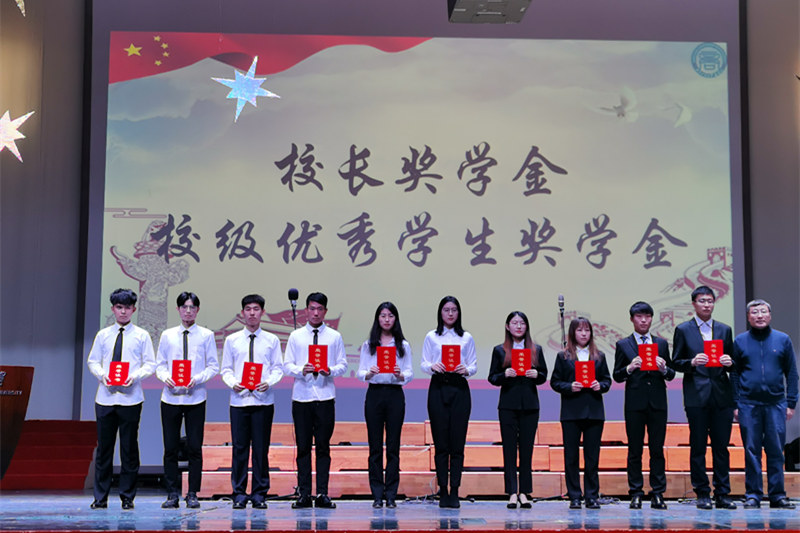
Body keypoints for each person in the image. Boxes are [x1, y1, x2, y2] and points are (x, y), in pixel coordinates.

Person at [86, 288, 156, 510]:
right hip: (105, 398)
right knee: (104, 449)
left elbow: (150, 364)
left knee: (129, 449)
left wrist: (134, 377)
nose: (123, 311)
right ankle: (100, 497)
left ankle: (127, 497)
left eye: (127, 307)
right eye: (119, 307)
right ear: (112, 309)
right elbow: (93, 361)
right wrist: (102, 375)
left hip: (131, 398)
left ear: (134, 309)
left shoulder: (142, 335)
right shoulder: (103, 335)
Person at [670, 286, 736, 510]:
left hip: (721, 395)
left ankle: (723, 493)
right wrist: (691, 362)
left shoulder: (724, 329)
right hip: (696, 396)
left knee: (721, 447)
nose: (707, 305)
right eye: (702, 301)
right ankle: (702, 492)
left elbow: (733, 362)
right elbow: (675, 362)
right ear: (694, 304)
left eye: (710, 301)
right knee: (698, 446)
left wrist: (730, 362)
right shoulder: (683, 329)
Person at [731, 299, 798, 509]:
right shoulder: (740, 341)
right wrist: (736, 403)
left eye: (763, 312)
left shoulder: (783, 339)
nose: (759, 316)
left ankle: (778, 495)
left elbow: (792, 373)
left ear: (769, 315)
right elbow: (734, 374)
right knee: (751, 451)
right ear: (748, 317)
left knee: (776, 450)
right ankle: (753, 494)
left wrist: (791, 403)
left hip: (776, 404)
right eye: (754, 312)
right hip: (748, 404)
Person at [283, 292, 348, 509]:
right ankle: (304, 494)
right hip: (302, 397)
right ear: (306, 310)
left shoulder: (334, 337)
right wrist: (301, 370)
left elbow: (342, 365)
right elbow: (287, 365)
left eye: (320, 309)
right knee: (303, 447)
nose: (316, 313)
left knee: (323, 447)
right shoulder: (296, 336)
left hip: (325, 397)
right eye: (312, 308)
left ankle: (322, 493)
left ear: (325, 311)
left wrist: (330, 370)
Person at [155, 292, 219, 509]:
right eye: (184, 307)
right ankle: (172, 493)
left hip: (196, 398)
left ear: (198, 310)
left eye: (192, 307)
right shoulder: (167, 335)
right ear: (178, 309)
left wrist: (197, 379)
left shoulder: (206, 335)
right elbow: (160, 365)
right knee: (170, 448)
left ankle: (192, 493)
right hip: (170, 398)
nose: (188, 311)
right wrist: (166, 378)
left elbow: (213, 366)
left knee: (194, 448)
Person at [220, 294, 284, 509]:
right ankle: (238, 493)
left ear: (262, 312)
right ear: (242, 313)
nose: (252, 313)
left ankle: (259, 493)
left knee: (260, 449)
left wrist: (268, 382)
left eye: (256, 309)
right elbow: (226, 369)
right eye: (248, 309)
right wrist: (233, 383)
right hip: (239, 401)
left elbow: (278, 368)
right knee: (239, 449)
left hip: (263, 401)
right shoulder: (232, 340)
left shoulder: (272, 340)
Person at [613, 301, 675, 510]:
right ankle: (636, 492)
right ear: (632, 319)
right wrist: (629, 368)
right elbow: (616, 375)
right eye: (639, 316)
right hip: (635, 403)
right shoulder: (623, 344)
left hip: (658, 402)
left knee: (657, 449)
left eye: (647, 316)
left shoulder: (661, 343)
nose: (643, 320)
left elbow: (671, 374)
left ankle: (658, 493)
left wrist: (664, 369)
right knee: (635, 450)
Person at [421, 296, 477, 508]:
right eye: (446, 310)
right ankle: (442, 489)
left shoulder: (466, 337)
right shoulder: (432, 336)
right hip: (438, 387)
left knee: (457, 443)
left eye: (454, 310)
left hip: (459, 389)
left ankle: (455, 490)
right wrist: (432, 366)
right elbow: (423, 363)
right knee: (441, 443)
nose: (451, 313)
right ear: (440, 313)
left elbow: (473, 365)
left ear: (458, 313)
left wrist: (467, 369)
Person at [550, 317, 612, 510]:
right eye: (580, 330)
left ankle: (591, 496)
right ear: (572, 333)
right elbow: (555, 382)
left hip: (594, 412)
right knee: (571, 457)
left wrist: (599, 385)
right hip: (571, 412)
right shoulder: (563, 356)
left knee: (592, 457)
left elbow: (607, 381)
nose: (584, 334)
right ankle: (574, 496)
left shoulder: (599, 356)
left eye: (587, 330)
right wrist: (570, 386)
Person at [487, 311, 547, 509]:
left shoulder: (536, 349)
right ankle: (512, 492)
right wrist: (504, 374)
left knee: (527, 451)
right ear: (507, 326)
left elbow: (544, 375)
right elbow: (492, 377)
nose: (519, 326)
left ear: (526, 326)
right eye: (514, 323)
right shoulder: (500, 350)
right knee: (509, 450)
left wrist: (536, 374)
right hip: (508, 406)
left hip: (530, 406)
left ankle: (524, 492)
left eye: (522, 323)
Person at [357, 302, 414, 508]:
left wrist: (400, 375)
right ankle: (377, 495)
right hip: (374, 394)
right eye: (383, 315)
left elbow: (409, 373)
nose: (387, 319)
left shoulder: (402, 345)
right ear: (377, 319)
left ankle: (391, 494)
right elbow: (360, 372)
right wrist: (369, 373)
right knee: (375, 447)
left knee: (393, 447)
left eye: (390, 315)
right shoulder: (369, 345)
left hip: (394, 395)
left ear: (395, 319)